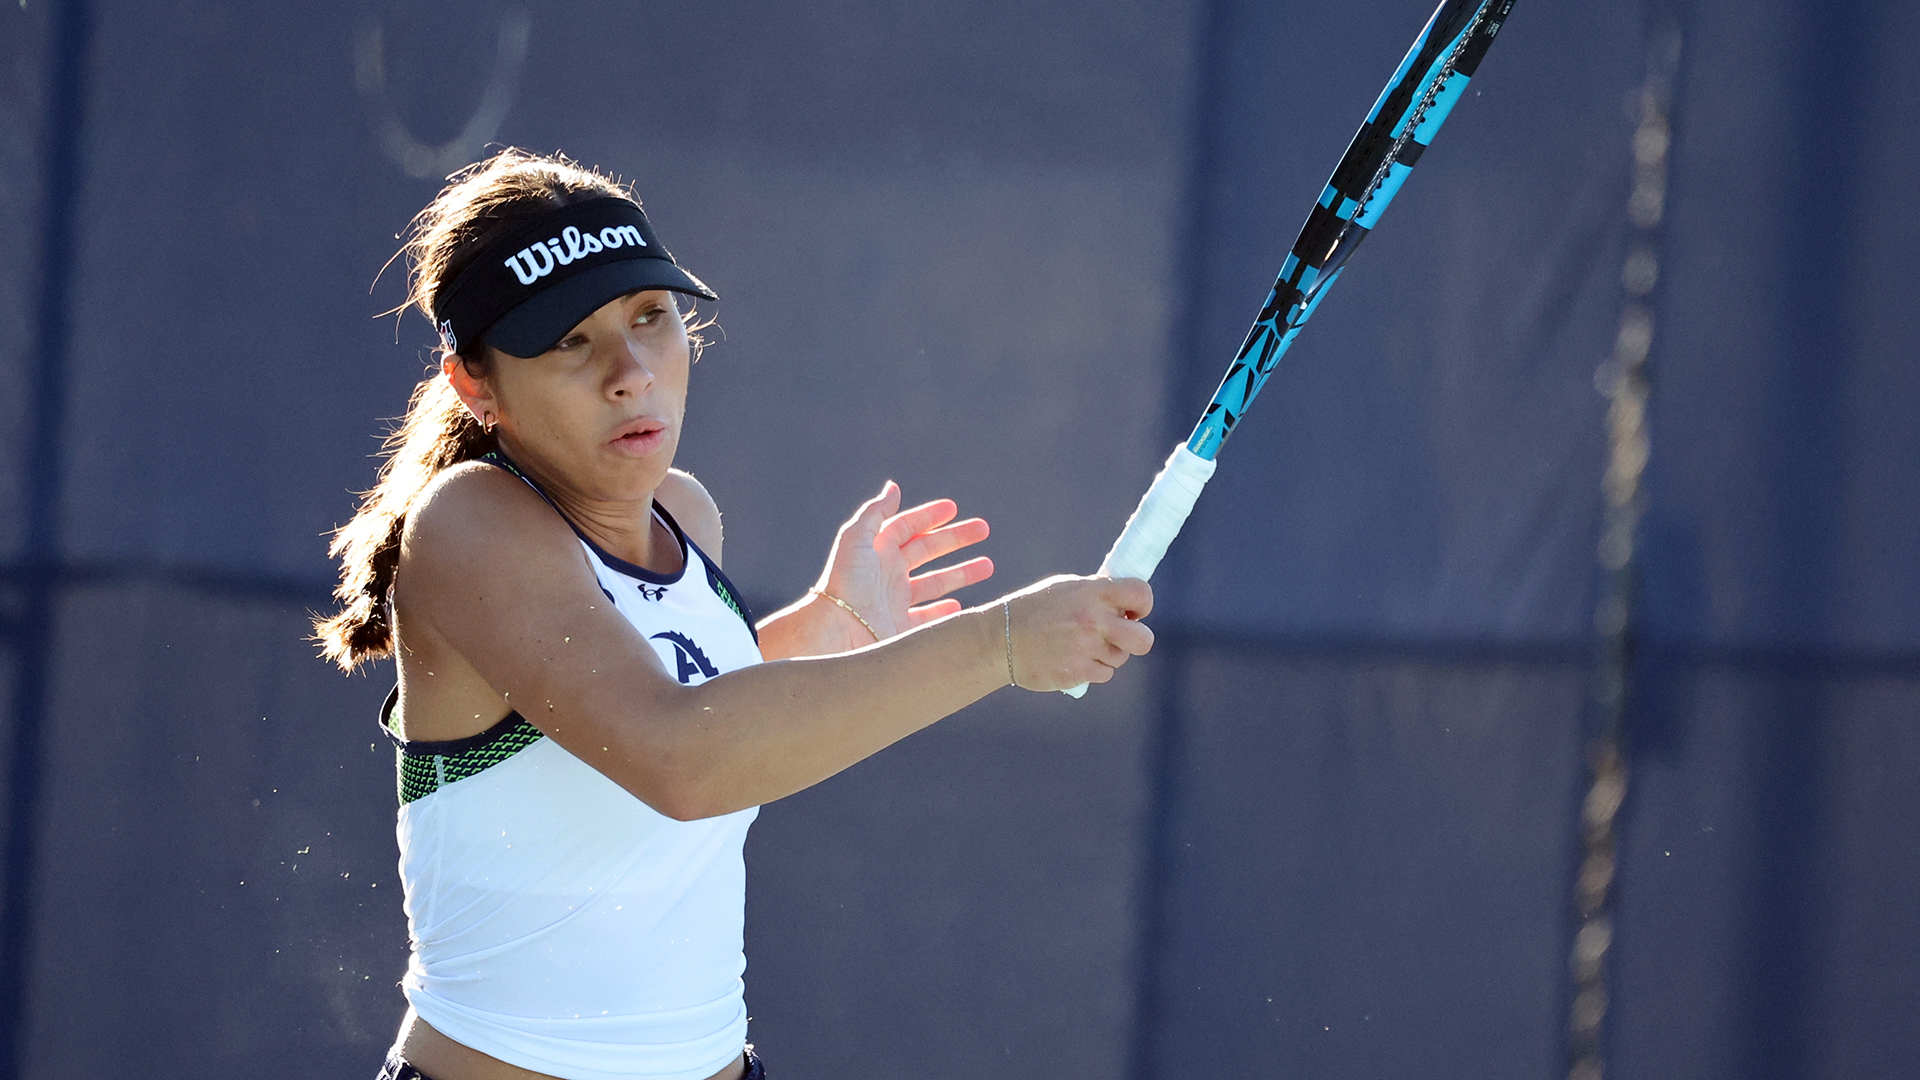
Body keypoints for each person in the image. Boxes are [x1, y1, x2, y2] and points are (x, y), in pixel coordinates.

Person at [316, 148, 1153, 1080]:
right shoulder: (470, 522)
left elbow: (653, 699)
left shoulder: (684, 513)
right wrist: (1000, 645)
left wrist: (828, 625)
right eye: (570, 341)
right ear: (476, 385)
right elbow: (680, 758)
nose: (631, 372)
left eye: (650, 317)